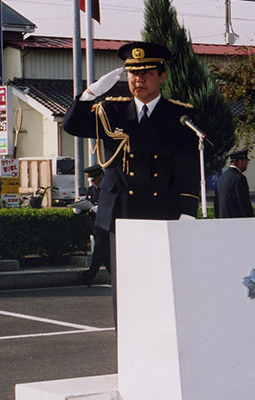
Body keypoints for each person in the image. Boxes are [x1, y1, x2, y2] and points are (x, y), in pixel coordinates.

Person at [62, 41, 201, 310]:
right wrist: (91, 93)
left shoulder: (179, 115)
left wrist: (187, 209)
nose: (138, 80)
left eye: (147, 73)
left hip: (162, 212)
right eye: (133, 74)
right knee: (125, 290)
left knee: (161, 286)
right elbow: (72, 125)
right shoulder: (112, 110)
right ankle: (126, 346)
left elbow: (188, 165)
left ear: (162, 76)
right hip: (119, 214)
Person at [80, 165, 111, 286]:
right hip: (96, 227)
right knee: (105, 255)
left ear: (102, 176)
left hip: (105, 226)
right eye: (91, 181)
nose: (93, 183)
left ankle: (88, 277)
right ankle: (117, 278)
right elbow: (88, 204)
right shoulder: (91, 189)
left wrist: (100, 209)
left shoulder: (108, 189)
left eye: (94, 180)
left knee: (98, 252)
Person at [214, 149, 253, 218]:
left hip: (222, 220)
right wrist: (250, 219)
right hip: (236, 222)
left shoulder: (221, 177)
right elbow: (243, 203)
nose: (247, 164)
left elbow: (217, 202)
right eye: (246, 161)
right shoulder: (239, 178)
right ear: (240, 161)